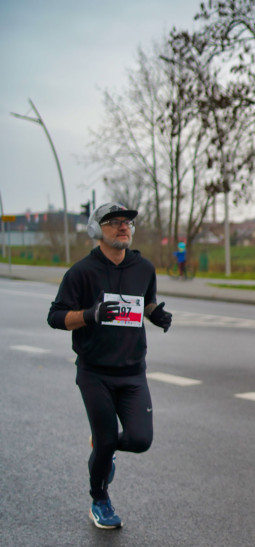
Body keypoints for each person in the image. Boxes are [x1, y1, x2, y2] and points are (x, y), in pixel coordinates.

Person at [47, 203, 173, 529]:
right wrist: (90, 315)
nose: (123, 227)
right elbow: (55, 317)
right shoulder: (81, 272)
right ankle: (100, 500)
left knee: (141, 440)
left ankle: (103, 446)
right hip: (95, 372)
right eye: (113, 222)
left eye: (127, 222)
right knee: (105, 442)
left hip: (133, 372)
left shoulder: (143, 268)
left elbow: (145, 301)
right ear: (96, 229)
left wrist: (156, 314)